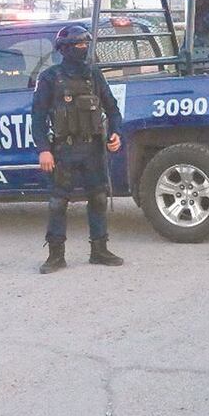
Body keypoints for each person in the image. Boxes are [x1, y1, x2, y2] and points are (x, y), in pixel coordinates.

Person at [32, 24, 124, 274]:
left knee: (98, 198)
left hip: (93, 148)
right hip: (63, 150)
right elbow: (38, 117)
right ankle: (55, 255)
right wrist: (43, 149)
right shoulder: (50, 78)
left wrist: (116, 133)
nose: (83, 48)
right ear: (64, 49)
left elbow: (112, 109)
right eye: (78, 45)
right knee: (58, 203)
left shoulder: (94, 74)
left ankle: (99, 250)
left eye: (86, 44)